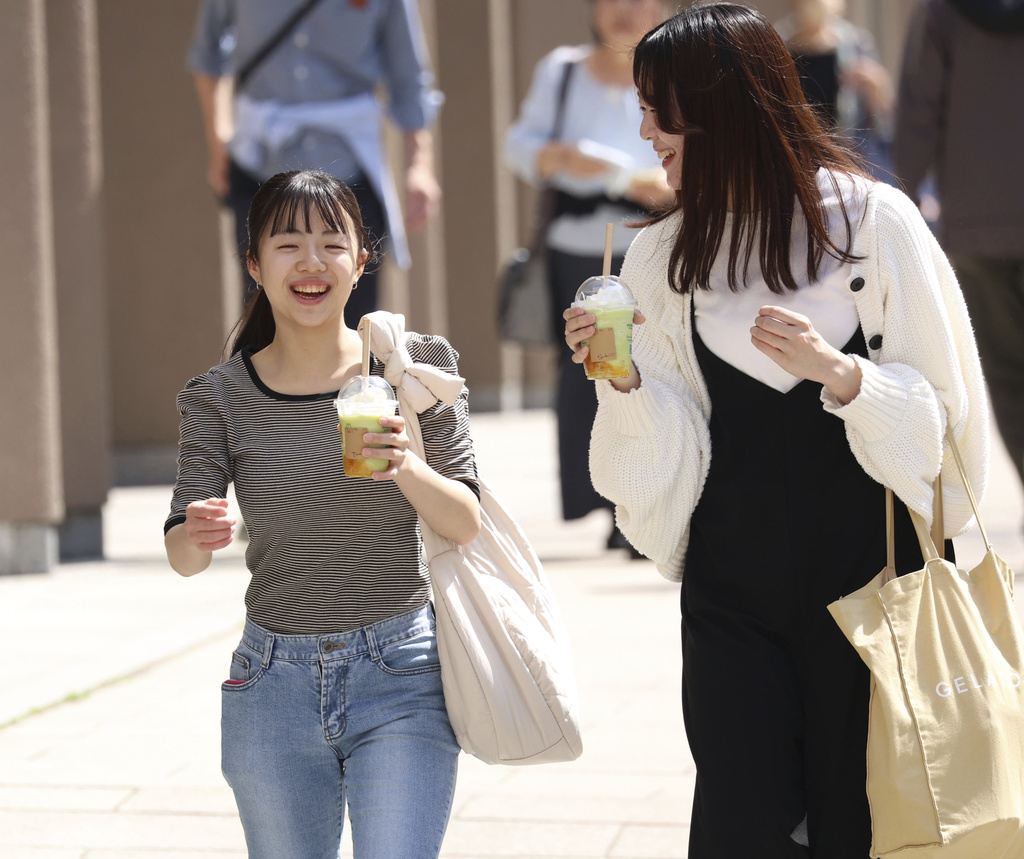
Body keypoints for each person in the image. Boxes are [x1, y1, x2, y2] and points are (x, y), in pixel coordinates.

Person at [563, 4, 988, 856]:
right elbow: (659, 465)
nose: (644, 129)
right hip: (733, 597)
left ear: (723, 106)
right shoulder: (658, 257)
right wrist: (628, 378)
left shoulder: (875, 225)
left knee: (864, 825)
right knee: (743, 822)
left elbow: (948, 424)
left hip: (876, 590)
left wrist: (847, 376)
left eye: (660, 106)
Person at [163, 170, 480, 859]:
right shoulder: (217, 398)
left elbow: (465, 521)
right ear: (253, 263)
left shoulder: (415, 368)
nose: (312, 262)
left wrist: (406, 465)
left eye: (333, 243)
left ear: (361, 261)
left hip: (402, 673)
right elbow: (182, 554)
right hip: (271, 683)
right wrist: (198, 530)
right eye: (287, 243)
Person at [504, 0, 673, 553]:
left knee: (650, 362)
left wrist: (631, 178)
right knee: (586, 368)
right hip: (577, 248)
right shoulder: (562, 70)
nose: (624, 10)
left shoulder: (671, 68)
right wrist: (559, 158)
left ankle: (645, 499)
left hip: (650, 243)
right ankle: (608, 502)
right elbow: (519, 147)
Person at [188, 0, 443, 325]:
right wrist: (217, 139)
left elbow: (409, 77)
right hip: (259, 166)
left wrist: (419, 164)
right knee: (263, 320)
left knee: (351, 321)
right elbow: (207, 52)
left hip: (350, 171)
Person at [893, 0, 1024, 488]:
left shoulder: (942, 12)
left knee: (1009, 381)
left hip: (975, 225)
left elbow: (918, 112)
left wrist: (898, 207)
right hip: (976, 230)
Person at [775, 0, 895, 182]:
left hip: (848, 160)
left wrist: (877, 85)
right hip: (797, 161)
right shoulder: (779, 45)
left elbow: (881, 117)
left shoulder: (856, 44)